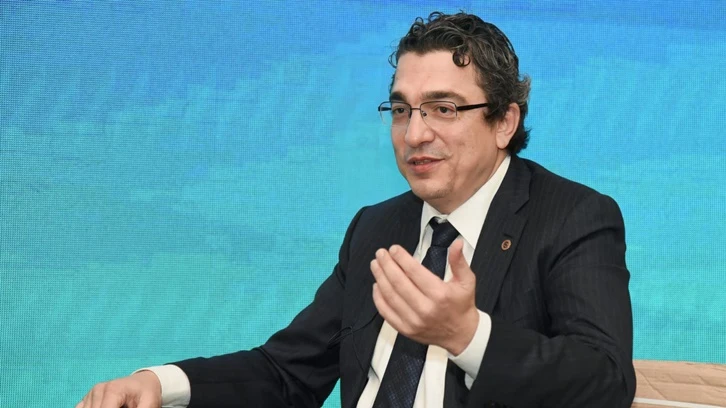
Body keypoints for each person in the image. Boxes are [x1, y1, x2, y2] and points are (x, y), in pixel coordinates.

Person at [77, 11, 636, 408]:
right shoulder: (377, 226)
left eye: (443, 108)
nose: (414, 134)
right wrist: (160, 383)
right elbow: (287, 372)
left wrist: (466, 335)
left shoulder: (573, 216)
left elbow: (607, 382)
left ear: (505, 122)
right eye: (401, 110)